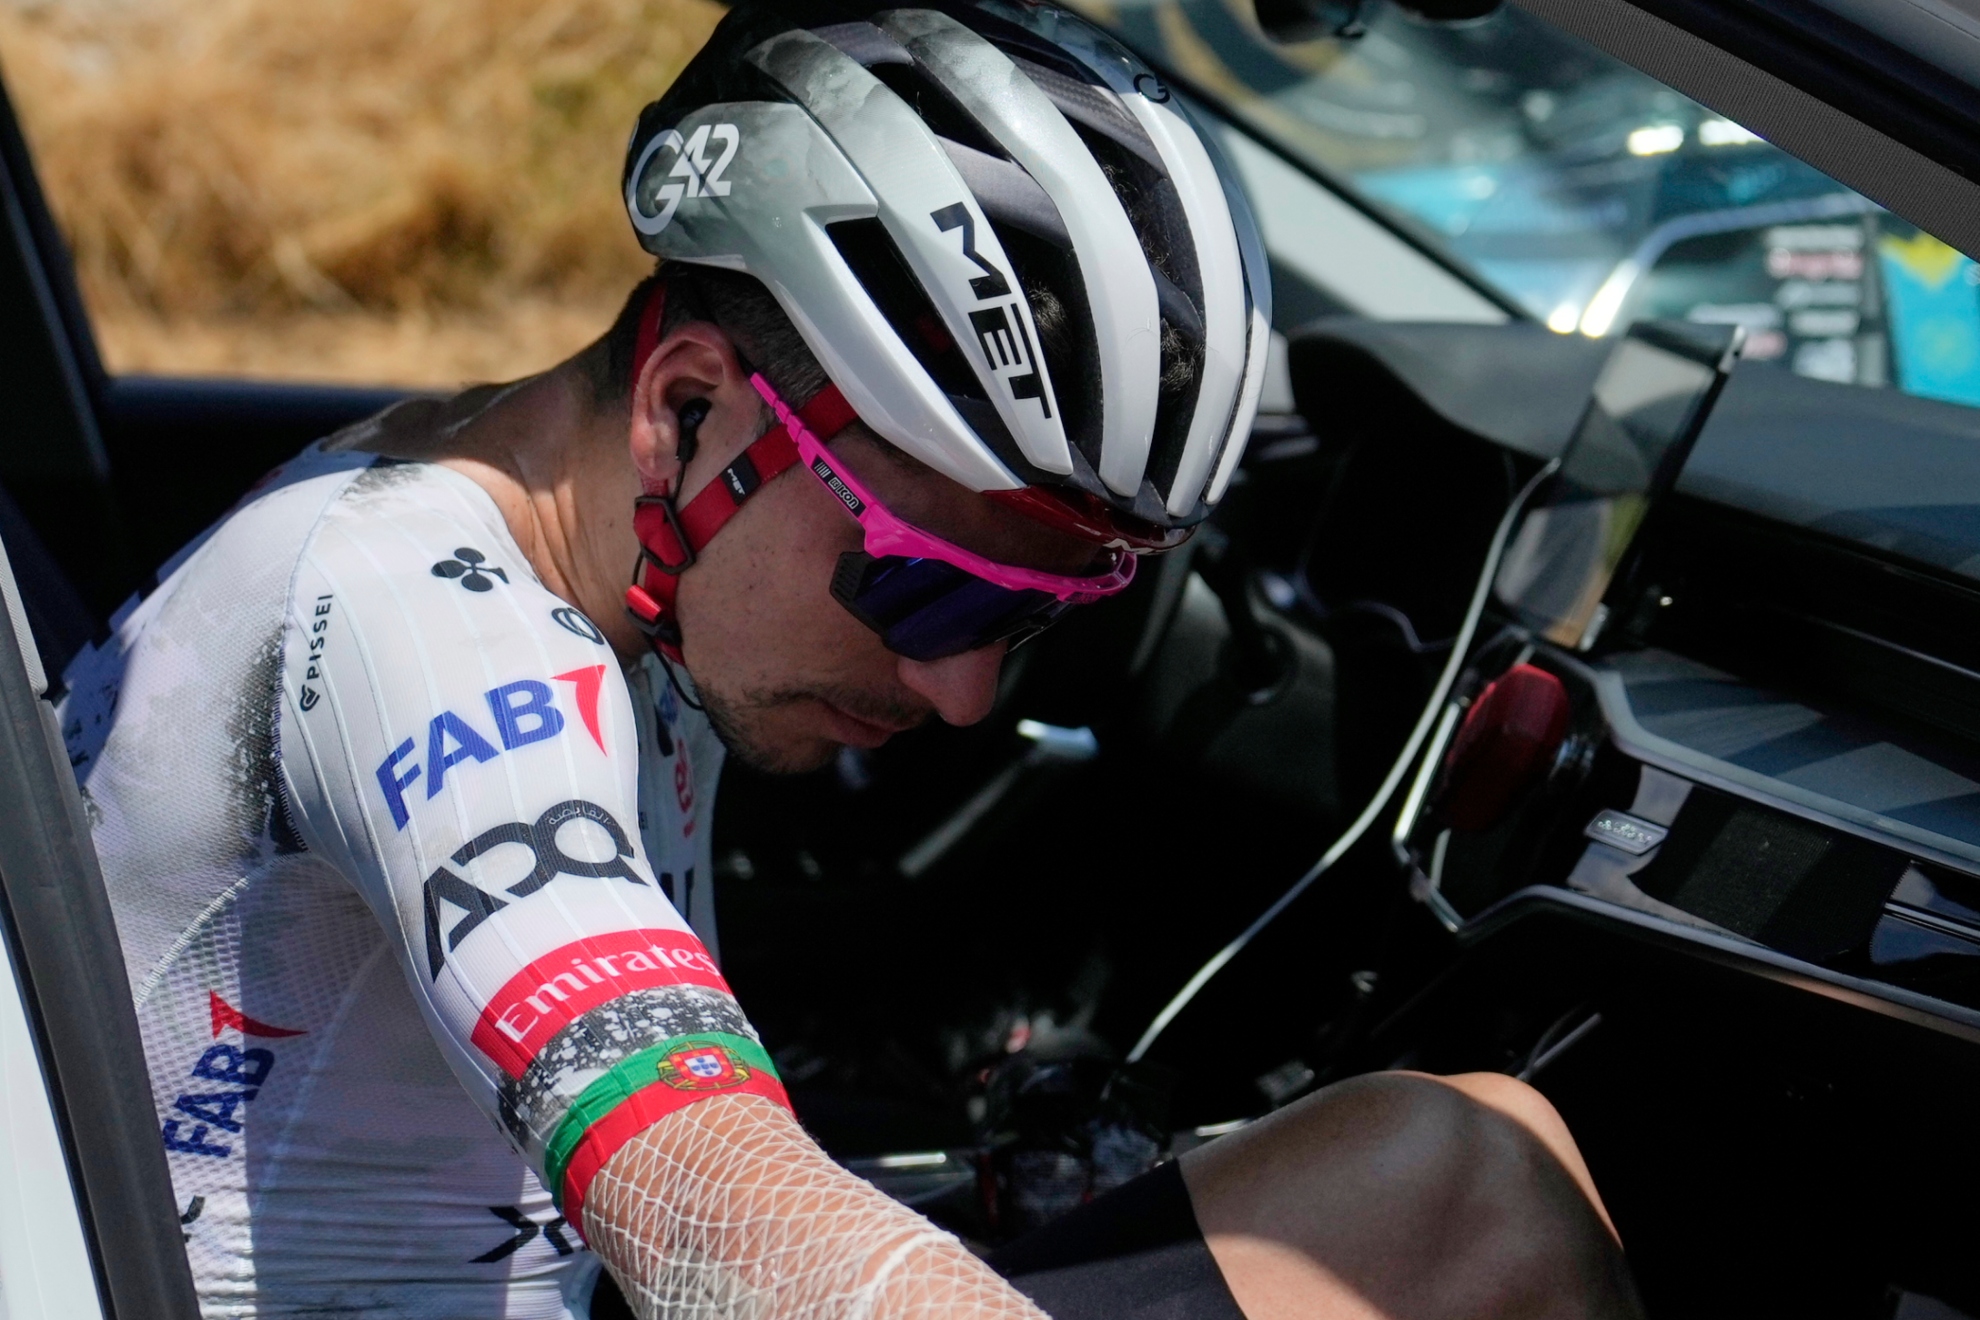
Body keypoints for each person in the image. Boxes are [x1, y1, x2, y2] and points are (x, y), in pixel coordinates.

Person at [59, 2, 1645, 1316]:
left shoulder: (609, 524)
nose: (965, 692)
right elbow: (702, 1194)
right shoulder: (417, 619)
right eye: (930, 594)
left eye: (1041, 615)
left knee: (1472, 1173)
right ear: (687, 406)